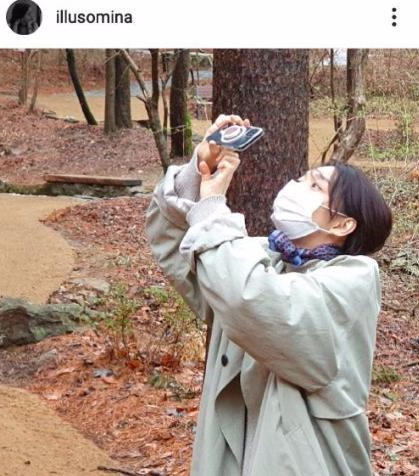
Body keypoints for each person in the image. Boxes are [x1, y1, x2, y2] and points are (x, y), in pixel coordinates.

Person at [145, 114, 392, 475]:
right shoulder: (267, 261)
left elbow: (254, 301)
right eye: (302, 177)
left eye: (314, 186)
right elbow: (176, 243)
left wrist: (212, 211)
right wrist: (199, 173)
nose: (295, 186)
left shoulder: (354, 281)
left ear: (341, 223)